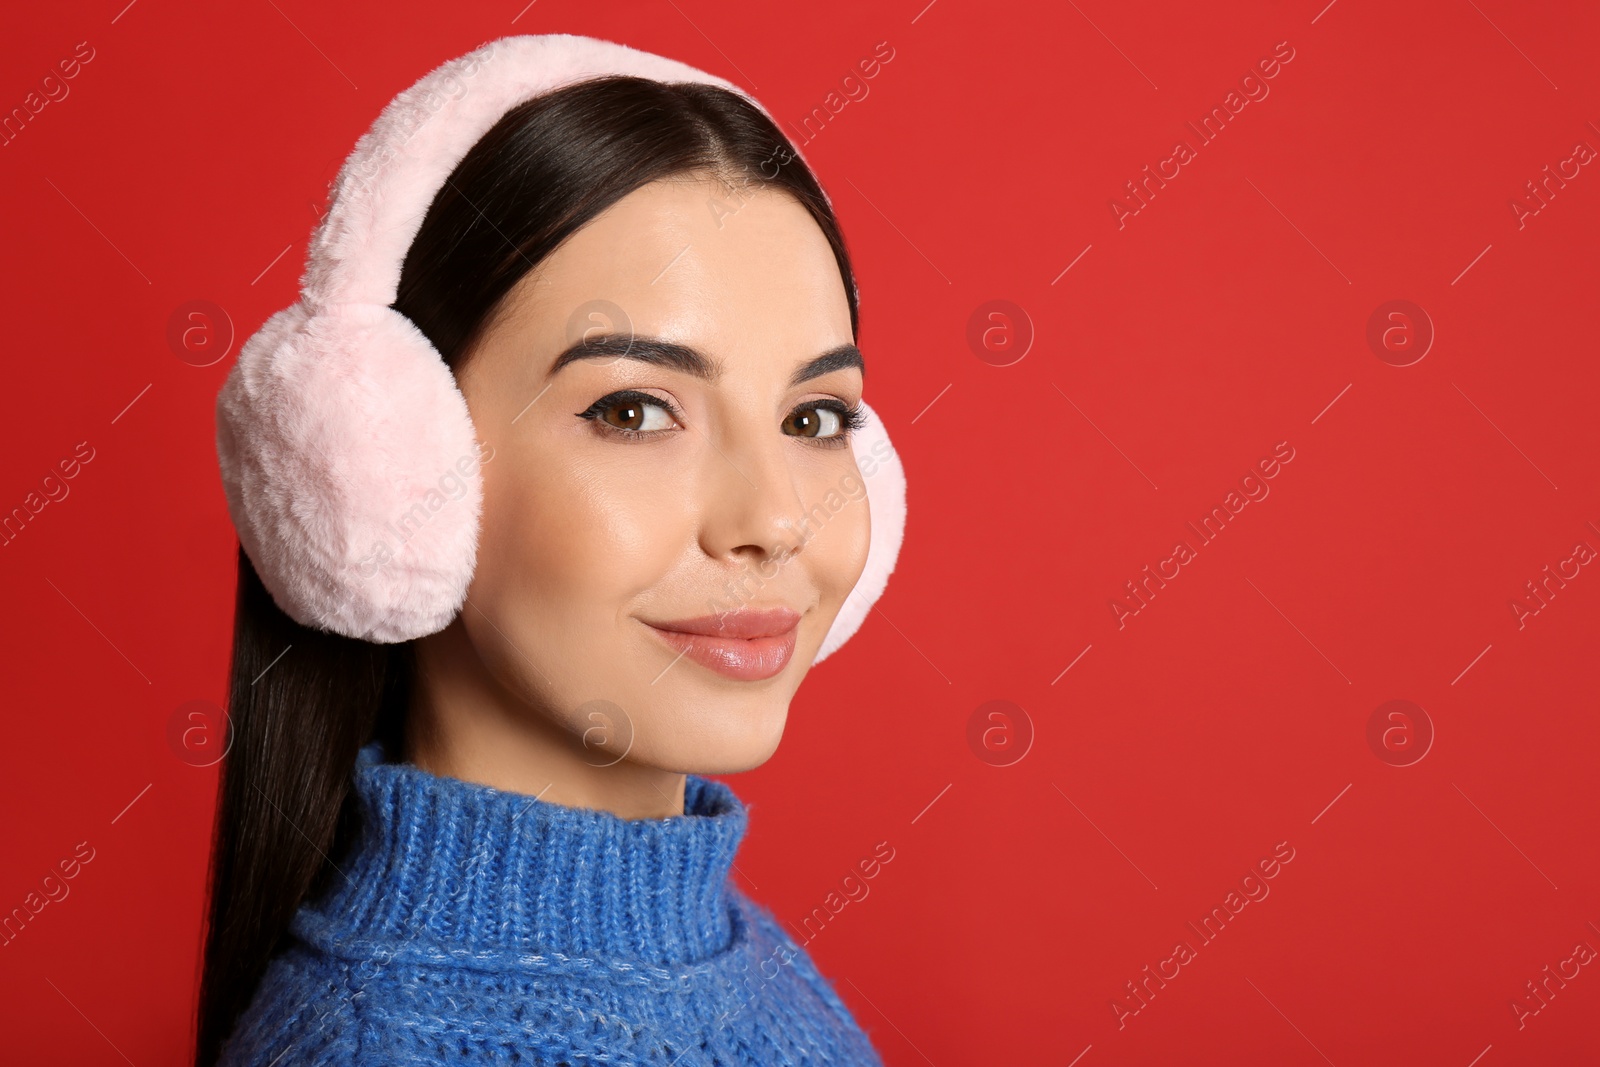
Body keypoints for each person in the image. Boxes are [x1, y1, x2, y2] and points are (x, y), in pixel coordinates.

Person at [195, 33, 907, 1067]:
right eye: (633, 408)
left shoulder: (744, 961)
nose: (776, 518)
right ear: (387, 470)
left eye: (813, 417)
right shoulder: (379, 1046)